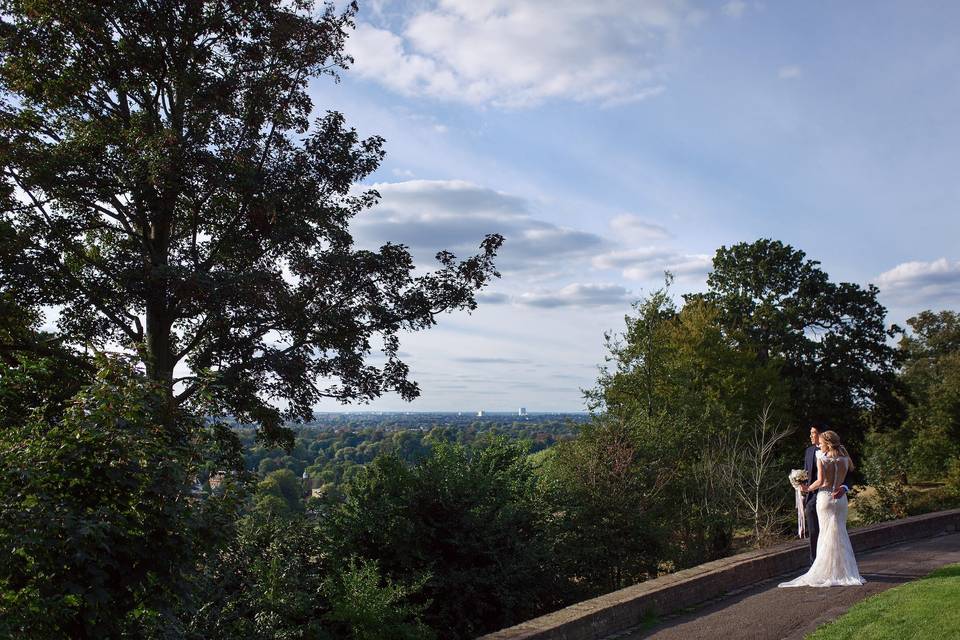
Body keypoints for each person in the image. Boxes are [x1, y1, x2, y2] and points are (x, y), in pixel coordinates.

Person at [779, 430, 865, 587]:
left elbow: (821, 481)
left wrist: (807, 489)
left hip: (825, 498)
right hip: (841, 500)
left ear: (827, 443)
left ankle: (827, 571)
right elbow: (845, 477)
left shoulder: (822, 458)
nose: (819, 444)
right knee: (840, 533)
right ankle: (843, 571)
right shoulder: (845, 459)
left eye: (821, 442)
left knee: (825, 534)